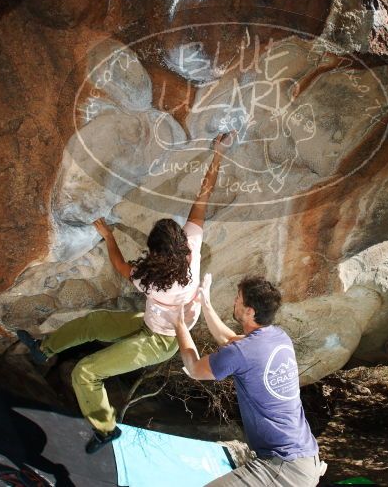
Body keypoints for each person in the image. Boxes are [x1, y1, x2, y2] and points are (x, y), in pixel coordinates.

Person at [17, 133, 231, 454]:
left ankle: (105, 429)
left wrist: (108, 235)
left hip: (161, 341)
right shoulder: (191, 248)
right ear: (180, 244)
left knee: (86, 372)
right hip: (152, 323)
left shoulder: (153, 280)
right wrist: (219, 153)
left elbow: (119, 264)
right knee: (93, 323)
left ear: (157, 253)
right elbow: (203, 197)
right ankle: (44, 350)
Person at [171, 274, 324, 486]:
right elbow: (228, 339)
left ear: (250, 311)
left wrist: (178, 323)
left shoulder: (242, 352)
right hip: (304, 457)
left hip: (284, 466)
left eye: (238, 298)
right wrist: (205, 302)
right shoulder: (279, 336)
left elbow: (195, 369)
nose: (234, 301)